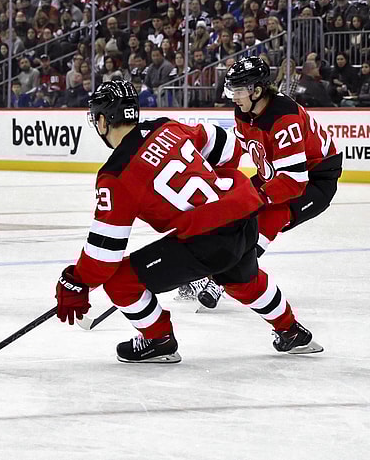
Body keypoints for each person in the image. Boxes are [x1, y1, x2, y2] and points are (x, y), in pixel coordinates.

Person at [54, 80, 323, 363]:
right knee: (243, 279)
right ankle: (292, 331)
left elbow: (104, 253)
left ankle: (157, 340)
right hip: (244, 217)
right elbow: (228, 149)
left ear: (102, 120)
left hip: (207, 240)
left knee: (121, 282)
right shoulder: (164, 126)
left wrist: (77, 281)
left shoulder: (115, 175)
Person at [187, 56, 343, 308]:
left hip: (314, 180)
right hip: (274, 172)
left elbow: (293, 181)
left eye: (237, 90)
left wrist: (253, 199)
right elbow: (242, 149)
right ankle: (210, 266)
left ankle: (222, 279)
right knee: (228, 207)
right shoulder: (244, 110)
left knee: (271, 216)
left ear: (256, 91)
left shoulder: (284, 118)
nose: (232, 96)